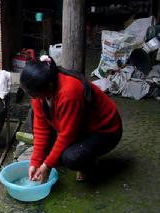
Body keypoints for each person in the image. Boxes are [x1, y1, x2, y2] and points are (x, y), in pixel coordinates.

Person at [20, 55, 123, 183]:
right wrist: (35, 163)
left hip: (105, 130)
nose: (32, 98)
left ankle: (89, 164)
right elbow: (41, 129)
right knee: (50, 153)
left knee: (71, 158)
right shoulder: (39, 92)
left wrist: (46, 165)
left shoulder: (69, 92)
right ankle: (65, 156)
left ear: (50, 86)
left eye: (34, 95)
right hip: (79, 125)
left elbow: (67, 135)